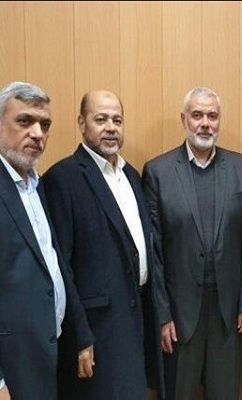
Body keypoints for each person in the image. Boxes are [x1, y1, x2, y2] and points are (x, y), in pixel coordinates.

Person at [142, 86, 242, 400]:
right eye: (197, 115)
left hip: (229, 313)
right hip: (179, 314)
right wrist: (162, 315)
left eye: (212, 116)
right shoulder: (158, 172)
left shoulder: (240, 168)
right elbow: (153, 253)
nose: (205, 123)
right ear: (184, 119)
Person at [42, 90, 163, 399]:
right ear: (82, 124)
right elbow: (61, 268)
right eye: (101, 119)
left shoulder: (131, 175)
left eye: (117, 120)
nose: (111, 127)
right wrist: (79, 335)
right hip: (96, 332)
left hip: (135, 321)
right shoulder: (63, 178)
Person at [0, 81, 89, 400]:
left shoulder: (37, 186)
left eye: (45, 124)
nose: (37, 133)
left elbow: (55, 264)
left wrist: (80, 334)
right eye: (24, 121)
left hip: (50, 353)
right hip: (13, 366)